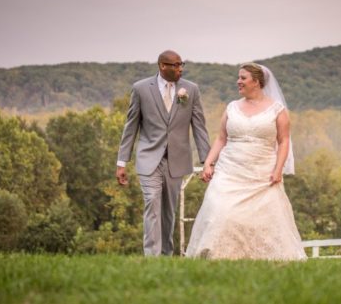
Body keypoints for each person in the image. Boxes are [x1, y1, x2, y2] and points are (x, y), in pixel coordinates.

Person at [185, 63, 307, 260]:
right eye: (238, 77)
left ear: (256, 82)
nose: (238, 81)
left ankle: (264, 258)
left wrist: (278, 169)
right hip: (229, 170)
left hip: (262, 173)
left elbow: (284, 142)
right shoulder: (232, 107)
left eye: (243, 78)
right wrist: (208, 162)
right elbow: (221, 138)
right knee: (219, 211)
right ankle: (215, 255)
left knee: (263, 219)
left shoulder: (277, 110)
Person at [116, 50, 210, 256]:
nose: (180, 69)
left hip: (177, 161)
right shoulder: (140, 89)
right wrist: (122, 161)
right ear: (162, 66)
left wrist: (207, 161)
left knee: (168, 212)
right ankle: (152, 257)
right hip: (149, 159)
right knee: (152, 204)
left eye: (181, 64)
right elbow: (130, 126)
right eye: (175, 65)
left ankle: (166, 255)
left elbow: (199, 127)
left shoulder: (190, 90)